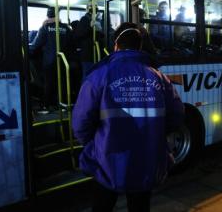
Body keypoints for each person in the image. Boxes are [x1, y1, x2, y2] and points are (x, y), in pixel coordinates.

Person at [72, 22, 184, 212]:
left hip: (107, 161)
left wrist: (94, 146)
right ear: (139, 47)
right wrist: (156, 137)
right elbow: (176, 115)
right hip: (146, 161)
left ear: (116, 45)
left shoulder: (98, 76)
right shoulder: (158, 77)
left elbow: (81, 122)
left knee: (102, 206)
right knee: (140, 207)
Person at [29, 6, 72, 111]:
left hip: (49, 60)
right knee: (61, 82)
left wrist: (28, 49)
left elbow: (36, 44)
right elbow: (71, 43)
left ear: (48, 15)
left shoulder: (45, 28)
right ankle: (61, 105)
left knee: (48, 82)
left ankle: (46, 106)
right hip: (62, 60)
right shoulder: (66, 28)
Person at [74, 3, 103, 79]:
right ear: (87, 9)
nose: (93, 9)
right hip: (88, 54)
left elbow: (100, 36)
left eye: (95, 7)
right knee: (87, 76)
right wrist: (90, 26)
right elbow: (78, 35)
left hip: (96, 52)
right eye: (91, 7)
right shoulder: (84, 19)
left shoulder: (98, 21)